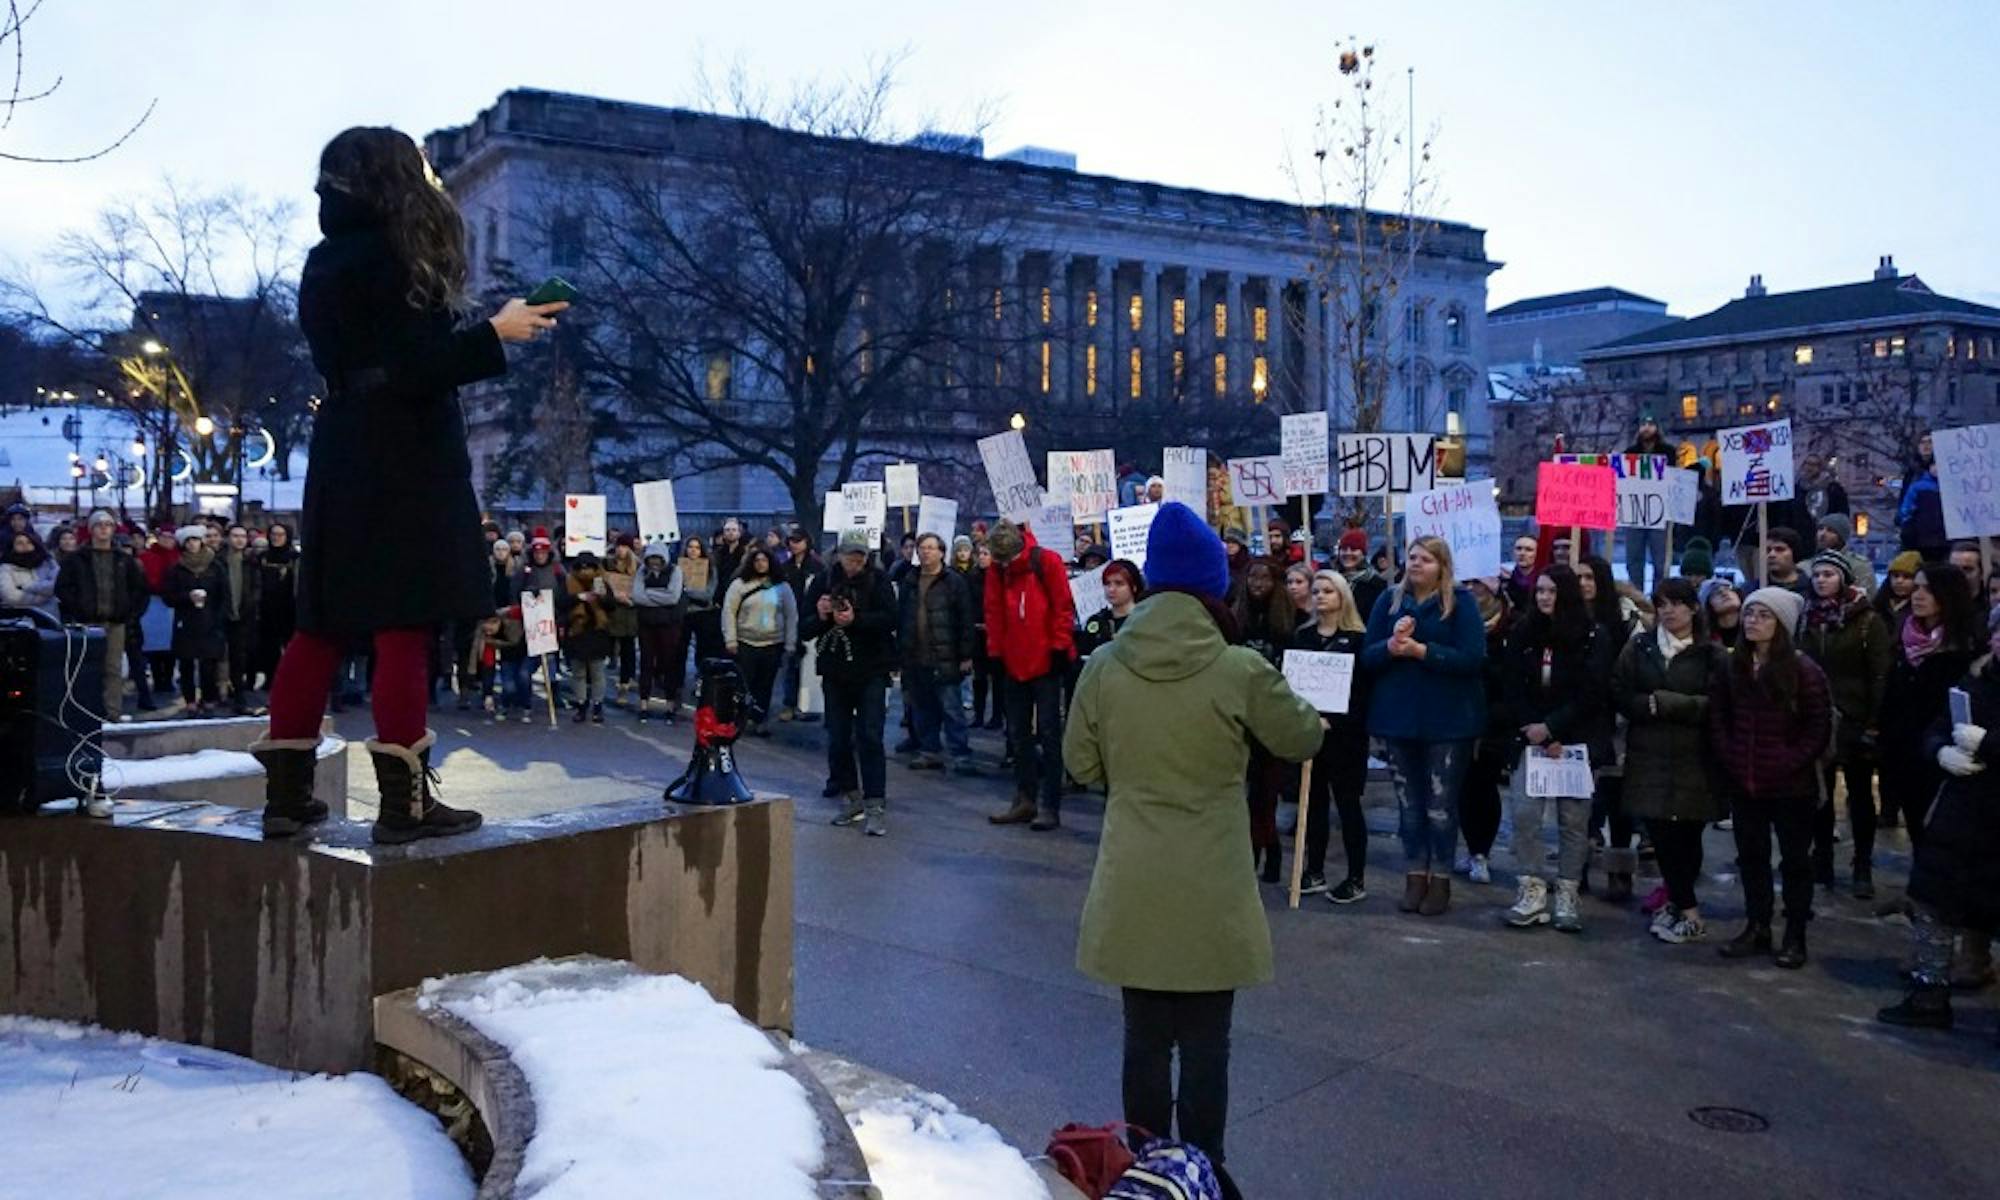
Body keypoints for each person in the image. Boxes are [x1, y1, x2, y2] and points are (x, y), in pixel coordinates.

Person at [255, 126, 563, 842]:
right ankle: (405, 804)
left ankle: (286, 797)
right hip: (403, 453)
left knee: (321, 626)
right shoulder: (395, 260)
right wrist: (497, 332)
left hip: (343, 445)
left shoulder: (325, 261)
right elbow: (416, 367)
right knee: (403, 625)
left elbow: (372, 362)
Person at [1063, 501, 1319, 1194]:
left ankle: (1147, 1171)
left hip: (1134, 874)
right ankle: (1203, 1172)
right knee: (1208, 1045)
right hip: (1213, 879)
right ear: (1214, 587)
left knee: (1144, 1039)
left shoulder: (1108, 664)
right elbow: (1302, 739)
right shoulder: (1238, 667)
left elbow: (1079, 764)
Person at [1877, 606, 2000, 1034]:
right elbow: (1938, 726)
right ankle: (1930, 993)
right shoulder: (1977, 678)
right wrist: (1939, 751)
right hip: (1961, 813)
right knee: (1933, 902)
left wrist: (1991, 744)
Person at [1361, 535, 1487, 915]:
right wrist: (1389, 648)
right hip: (1398, 718)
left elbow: (1473, 658)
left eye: (1426, 559)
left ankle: (1442, 878)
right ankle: (1415, 874)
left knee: (1440, 806)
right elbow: (1367, 657)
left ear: (1442, 566)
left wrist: (1423, 652)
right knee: (1408, 806)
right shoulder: (1389, 600)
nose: (1416, 564)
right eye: (1412, 557)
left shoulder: (1460, 604)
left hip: (1447, 721)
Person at [1711, 587, 1832, 969]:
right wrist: (1730, 754)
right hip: (1745, 781)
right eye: (1750, 614)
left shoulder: (1803, 670)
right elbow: (1719, 715)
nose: (1752, 622)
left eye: (1763, 615)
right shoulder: (1734, 665)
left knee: (1795, 861)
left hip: (1791, 785)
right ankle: (1757, 925)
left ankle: (1795, 935)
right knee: (1752, 856)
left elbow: (1818, 727)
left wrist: (1788, 760)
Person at [1613, 578, 1728, 943]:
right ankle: (1685, 905)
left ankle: (1683, 905)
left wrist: (1669, 702)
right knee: (1661, 835)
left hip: (1696, 758)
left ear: (1693, 607)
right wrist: (1644, 705)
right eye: (1662, 604)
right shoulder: (1640, 647)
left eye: (1676, 603)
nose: (1668, 611)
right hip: (1649, 755)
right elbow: (1620, 690)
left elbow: (1720, 703)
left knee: (1688, 834)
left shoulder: (1712, 654)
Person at [1501, 565, 1614, 932]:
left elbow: (1592, 690)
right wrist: (1535, 728)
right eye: (1540, 591)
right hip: (1531, 738)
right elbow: (1512, 684)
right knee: (1525, 816)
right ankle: (1531, 888)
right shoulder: (1523, 631)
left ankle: (1567, 890)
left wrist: (1554, 729)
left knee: (1573, 822)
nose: (1545, 598)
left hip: (1575, 740)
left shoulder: (1593, 635)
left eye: (1552, 591)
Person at [1798, 550, 1892, 897]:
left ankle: (1862, 863)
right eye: (1818, 574)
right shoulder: (1805, 615)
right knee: (1819, 795)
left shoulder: (1866, 619)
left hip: (1854, 717)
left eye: (1829, 574)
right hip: (1816, 717)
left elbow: (1879, 673)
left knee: (1860, 794)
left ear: (1844, 579)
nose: (1822, 579)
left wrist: (1873, 721)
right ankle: (1822, 858)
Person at [800, 529, 899, 835]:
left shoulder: (879, 581)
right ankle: (851, 796)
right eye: (850, 555)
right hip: (835, 671)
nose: (855, 561)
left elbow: (891, 619)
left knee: (870, 736)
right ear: (839, 555)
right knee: (838, 738)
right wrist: (820, 615)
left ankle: (875, 803)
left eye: (861, 556)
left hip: (871, 669)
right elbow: (805, 630)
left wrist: (858, 620)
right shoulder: (822, 581)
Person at [983, 519, 1078, 831]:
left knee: (1050, 733)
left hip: (1045, 658)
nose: (1005, 564)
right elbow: (993, 611)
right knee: (1018, 734)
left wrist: (1059, 645)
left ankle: (1050, 804)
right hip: (1014, 659)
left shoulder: (1045, 561)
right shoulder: (998, 570)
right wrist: (995, 652)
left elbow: (1062, 605)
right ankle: (1025, 798)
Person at [1877, 565, 1979, 842]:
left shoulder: (1967, 649)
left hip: (1946, 758)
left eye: (1929, 589)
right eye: (1917, 588)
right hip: (1905, 755)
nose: (1918, 595)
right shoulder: (1904, 639)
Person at [1291, 569, 1373, 900]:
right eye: (1317, 591)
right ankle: (1314, 870)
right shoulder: (1303, 636)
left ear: (1342, 597)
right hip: (1312, 733)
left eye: (1328, 591)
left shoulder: (1357, 640)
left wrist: (1336, 721)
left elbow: (1362, 692)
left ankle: (1356, 877)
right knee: (1313, 804)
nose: (1320, 596)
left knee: (1348, 805)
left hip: (1346, 737)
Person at [1579, 554, 1640, 900]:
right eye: (1579, 577)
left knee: (1617, 800)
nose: (1585, 584)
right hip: (1581, 721)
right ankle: (1580, 865)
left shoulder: (1626, 618)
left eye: (1591, 577)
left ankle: (1619, 870)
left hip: (1617, 722)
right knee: (1581, 800)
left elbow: (1634, 665)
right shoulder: (1564, 616)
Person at [54, 509, 151, 722]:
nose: (104, 529)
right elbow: (62, 588)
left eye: (108, 524)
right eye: (99, 525)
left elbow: (140, 589)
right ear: (91, 530)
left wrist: (129, 613)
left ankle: (112, 713)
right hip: (86, 623)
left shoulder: (124, 559)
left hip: (115, 622)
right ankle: (85, 712)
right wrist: (79, 608)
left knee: (113, 669)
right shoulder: (77, 559)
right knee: (85, 669)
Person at [897, 532, 978, 772]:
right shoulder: (909, 581)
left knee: (952, 709)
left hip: (946, 657)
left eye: (931, 548)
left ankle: (961, 754)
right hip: (916, 656)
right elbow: (902, 618)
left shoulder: (953, 582)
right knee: (923, 708)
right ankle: (930, 751)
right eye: (922, 548)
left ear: (942, 552)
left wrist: (965, 655)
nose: (925, 552)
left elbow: (965, 619)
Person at [1457, 576, 1515, 886]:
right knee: (1465, 786)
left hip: (1495, 720)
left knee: (1485, 785)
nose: (1473, 590)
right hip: (1462, 715)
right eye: (1467, 584)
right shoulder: (1457, 620)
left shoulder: (1510, 627)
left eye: (1479, 584)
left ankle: (1482, 851)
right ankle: (1471, 847)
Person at [722, 544, 798, 736]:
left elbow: (791, 615)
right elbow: (729, 612)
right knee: (744, 683)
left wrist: (790, 643)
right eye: (757, 560)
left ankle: (759, 719)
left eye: (764, 560)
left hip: (773, 644)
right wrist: (730, 639)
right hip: (746, 641)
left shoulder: (782, 587)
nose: (761, 564)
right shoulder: (739, 585)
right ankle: (739, 718)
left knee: (765, 685)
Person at [165, 525, 228, 717]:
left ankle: (208, 699)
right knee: (186, 663)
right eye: (188, 541)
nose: (192, 544)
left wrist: (218, 617)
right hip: (186, 621)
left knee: (208, 664)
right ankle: (190, 700)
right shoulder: (177, 568)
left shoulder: (215, 565)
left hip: (210, 620)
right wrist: (187, 597)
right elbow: (169, 596)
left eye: (195, 539)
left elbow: (224, 594)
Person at [630, 542, 683, 724]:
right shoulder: (641, 572)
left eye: (657, 559)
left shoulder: (675, 572)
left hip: (669, 626)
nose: (654, 563)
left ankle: (670, 705)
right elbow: (637, 596)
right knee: (646, 663)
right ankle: (644, 704)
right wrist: (661, 596)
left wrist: (649, 594)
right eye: (651, 559)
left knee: (669, 664)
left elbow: (673, 596)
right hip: (646, 625)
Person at [1624, 414, 1677, 592]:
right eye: (1643, 424)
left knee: (1660, 561)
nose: (1646, 428)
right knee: (1633, 560)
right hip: (1634, 512)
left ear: (1657, 428)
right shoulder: (1630, 453)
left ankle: (1659, 597)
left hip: (1659, 512)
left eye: (1650, 424)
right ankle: (1637, 598)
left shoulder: (1668, 452)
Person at [561, 552, 612, 724]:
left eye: (588, 567)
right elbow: (561, 603)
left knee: (597, 672)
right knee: (578, 672)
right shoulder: (568, 582)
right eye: (582, 568)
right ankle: (581, 706)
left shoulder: (602, 582)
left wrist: (602, 597)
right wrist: (578, 598)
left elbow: (611, 606)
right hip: (577, 633)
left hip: (597, 632)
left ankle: (598, 706)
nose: (585, 571)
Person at [216, 524, 262, 715]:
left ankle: (239, 696)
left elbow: (257, 587)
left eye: (243, 536)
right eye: (235, 536)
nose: (239, 540)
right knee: (216, 656)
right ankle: (216, 694)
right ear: (228, 538)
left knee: (239, 658)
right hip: (222, 615)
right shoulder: (219, 561)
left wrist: (250, 605)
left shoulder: (251, 561)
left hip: (243, 616)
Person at [778, 528, 824, 721]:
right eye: (791, 541)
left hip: (809, 616)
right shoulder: (785, 566)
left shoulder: (816, 566)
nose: (794, 544)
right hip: (789, 617)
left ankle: (806, 703)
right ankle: (789, 703)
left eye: (798, 540)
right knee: (790, 661)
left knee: (807, 663)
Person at [671, 535, 718, 716]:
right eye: (690, 547)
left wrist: (686, 591)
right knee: (679, 652)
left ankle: (701, 686)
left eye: (697, 548)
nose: (693, 551)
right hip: (683, 614)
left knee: (702, 653)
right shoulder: (678, 568)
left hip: (703, 615)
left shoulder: (710, 569)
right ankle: (677, 689)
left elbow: (707, 595)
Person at [254, 522, 299, 690]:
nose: (276, 538)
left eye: (280, 534)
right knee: (268, 647)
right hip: (266, 608)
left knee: (290, 647)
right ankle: (271, 678)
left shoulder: (295, 558)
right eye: (273, 534)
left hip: (289, 609)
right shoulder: (262, 557)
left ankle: (291, 679)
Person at [970, 542, 1005, 732]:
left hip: (995, 633)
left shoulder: (1000, 576)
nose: (982, 557)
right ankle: (979, 714)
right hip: (977, 632)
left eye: (986, 553)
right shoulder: (972, 577)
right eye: (980, 553)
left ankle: (997, 715)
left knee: (997, 677)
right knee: (979, 677)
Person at [1077, 559, 1144, 659]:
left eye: (1119, 583)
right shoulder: (1097, 621)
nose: (1111, 589)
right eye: (1107, 583)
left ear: (1134, 587)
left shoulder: (1145, 619)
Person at [602, 538, 641, 707]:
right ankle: (600, 685)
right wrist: (613, 597)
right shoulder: (606, 563)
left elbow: (641, 588)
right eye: (619, 546)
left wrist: (631, 600)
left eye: (625, 546)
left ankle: (624, 684)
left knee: (627, 649)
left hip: (629, 614)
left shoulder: (638, 566)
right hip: (611, 612)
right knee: (607, 649)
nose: (621, 549)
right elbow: (600, 587)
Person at [1897, 434, 1947, 563]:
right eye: (1922, 442)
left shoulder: (1946, 472)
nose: (1926, 446)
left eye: (1930, 442)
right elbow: (1905, 503)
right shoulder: (1912, 473)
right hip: (1917, 536)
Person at [0, 527, 58, 618]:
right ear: (12, 547)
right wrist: (44, 597)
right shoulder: (6, 568)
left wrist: (26, 586)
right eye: (19, 543)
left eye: (29, 542)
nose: (25, 545)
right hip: (20, 617)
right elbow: (10, 596)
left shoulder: (48, 563)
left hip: (50, 615)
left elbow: (55, 585)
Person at [1815, 515, 1875, 600]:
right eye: (1820, 529)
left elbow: (1868, 597)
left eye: (1830, 530)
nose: (1822, 534)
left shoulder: (1858, 565)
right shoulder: (1808, 563)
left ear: (1841, 537)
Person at [1875, 549, 1920, 632]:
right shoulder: (1879, 603)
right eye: (1895, 576)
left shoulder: (1919, 607)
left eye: (1907, 577)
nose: (1899, 581)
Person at [1702, 577, 1742, 651]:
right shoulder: (1704, 638)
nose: (1724, 593)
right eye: (1715, 592)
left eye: (1728, 589)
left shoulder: (1752, 629)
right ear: (1708, 605)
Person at [1504, 533, 1538, 611]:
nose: (1522, 553)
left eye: (1529, 549)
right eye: (1518, 549)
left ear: (1537, 553)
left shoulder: (1541, 580)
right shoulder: (1504, 580)